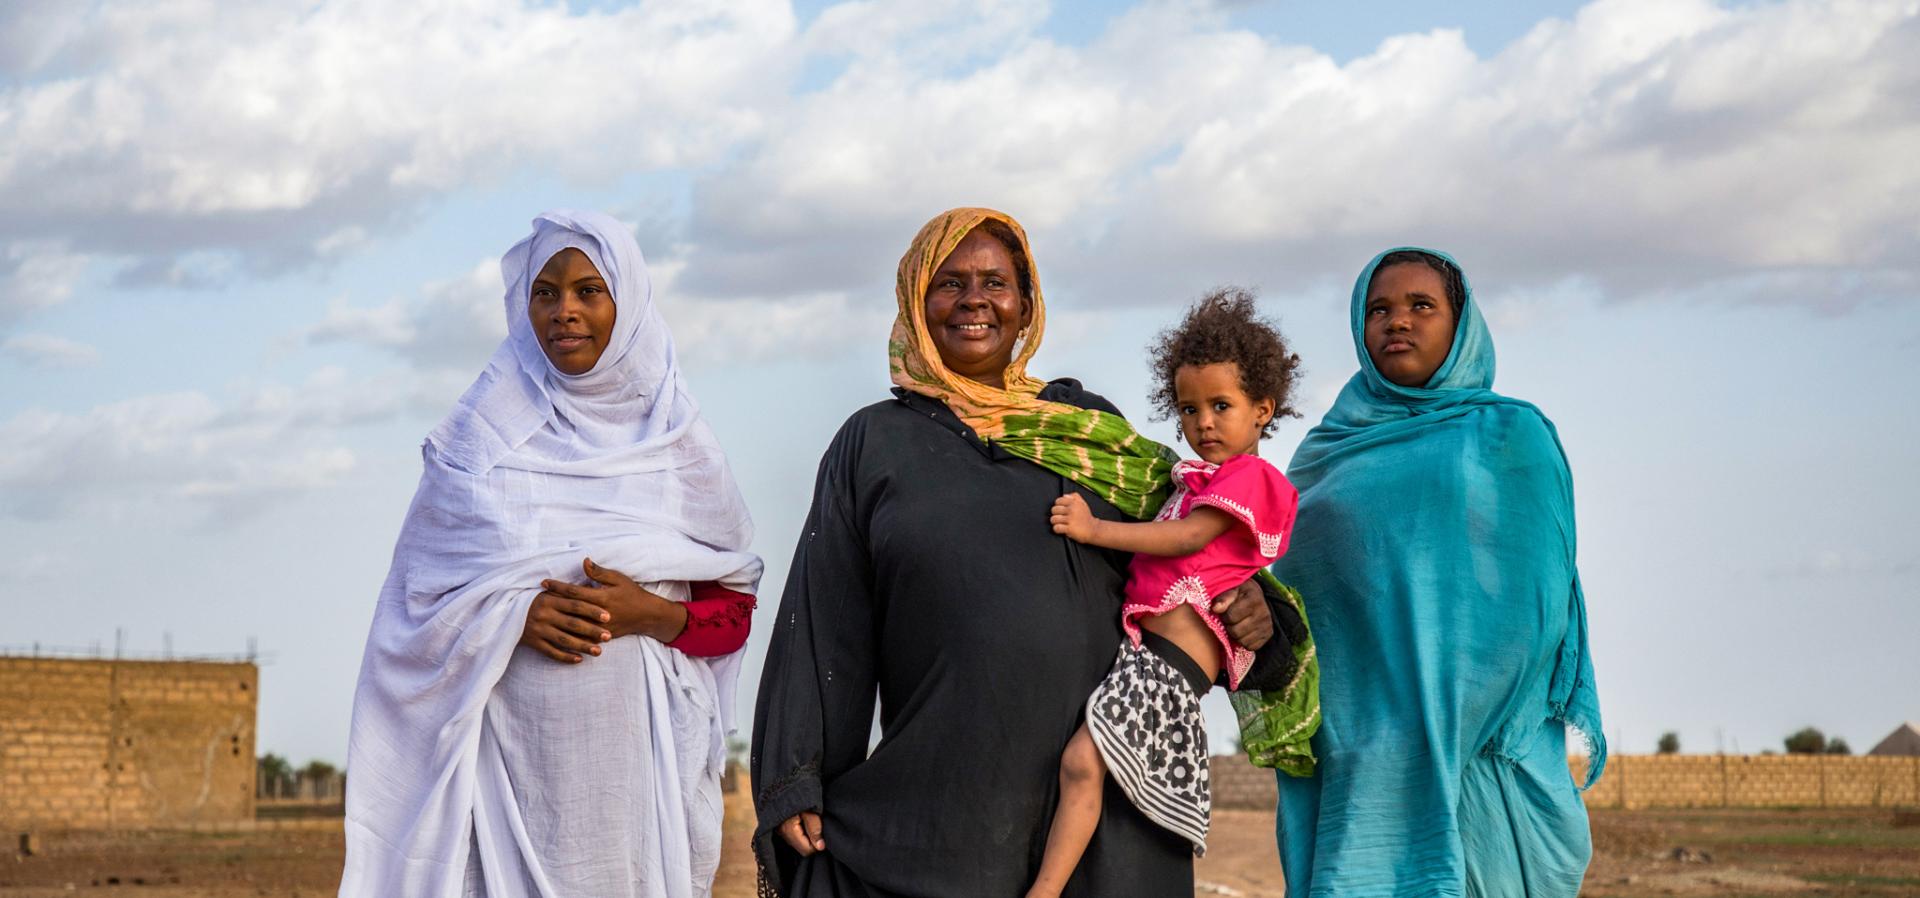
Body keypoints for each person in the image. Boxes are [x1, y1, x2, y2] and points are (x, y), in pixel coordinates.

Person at [750, 208, 1306, 898]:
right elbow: (823, 620)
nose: (975, 299)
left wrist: (1256, 611)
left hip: (1108, 785)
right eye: (949, 283)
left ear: (1027, 305)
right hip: (947, 804)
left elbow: (1205, 546)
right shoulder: (872, 445)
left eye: (995, 282)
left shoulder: (1093, 431)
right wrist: (795, 773)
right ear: (915, 302)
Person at [339, 210, 761, 898]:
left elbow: (733, 612)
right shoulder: (475, 444)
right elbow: (412, 612)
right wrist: (510, 618)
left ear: (626, 304)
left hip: (638, 787)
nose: (564, 312)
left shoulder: (679, 444)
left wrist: (649, 614)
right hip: (506, 779)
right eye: (545, 293)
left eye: (588, 291)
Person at [1272, 248, 1604, 896]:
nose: (1398, 322)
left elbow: (1536, 604)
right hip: (1361, 750)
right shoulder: (1325, 452)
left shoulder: (1513, 436)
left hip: (1481, 752)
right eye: (1379, 309)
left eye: (1421, 306)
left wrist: (1442, 726)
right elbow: (1290, 587)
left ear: (1461, 324)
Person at [1028, 288, 1316, 897]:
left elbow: (1190, 539)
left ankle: (1044, 892)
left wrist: (1092, 527)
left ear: (1263, 408)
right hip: (1147, 658)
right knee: (1084, 768)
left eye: (1220, 405)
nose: (1202, 423)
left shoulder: (1254, 480)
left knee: (1082, 765)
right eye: (1188, 409)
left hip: (1172, 665)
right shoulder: (1192, 481)